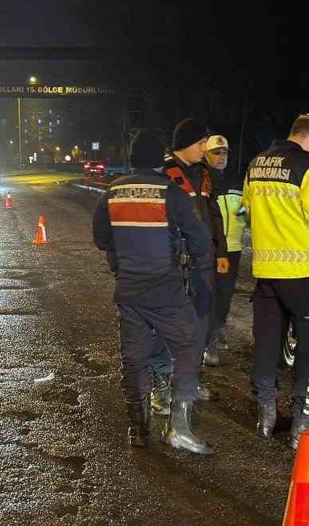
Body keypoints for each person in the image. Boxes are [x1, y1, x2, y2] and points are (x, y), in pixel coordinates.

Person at [92, 131, 215, 454]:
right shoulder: (171, 193)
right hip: (166, 289)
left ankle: (137, 428)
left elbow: (101, 239)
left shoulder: (112, 192)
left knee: (133, 359)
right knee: (190, 343)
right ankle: (179, 427)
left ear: (132, 159)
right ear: (159, 161)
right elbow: (201, 241)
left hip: (129, 290)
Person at [243, 113, 309, 450]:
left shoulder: (256, 164)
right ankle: (303, 426)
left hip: (266, 272)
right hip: (302, 274)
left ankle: (266, 417)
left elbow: (247, 207)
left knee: (268, 344)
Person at [145, 118, 224, 412]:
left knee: (200, 323)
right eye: (202, 143)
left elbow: (212, 216)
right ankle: (160, 384)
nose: (207, 148)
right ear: (186, 144)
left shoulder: (204, 176)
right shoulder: (164, 173)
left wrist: (221, 252)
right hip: (171, 261)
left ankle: (191, 379)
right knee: (165, 325)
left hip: (201, 262)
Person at [202, 134, 246, 366]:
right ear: (206, 155)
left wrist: (241, 216)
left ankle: (217, 328)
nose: (221, 158)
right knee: (209, 294)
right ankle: (207, 341)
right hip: (210, 247)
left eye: (224, 153)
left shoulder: (237, 181)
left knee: (226, 294)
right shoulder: (202, 180)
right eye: (216, 153)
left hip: (233, 246)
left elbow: (244, 209)